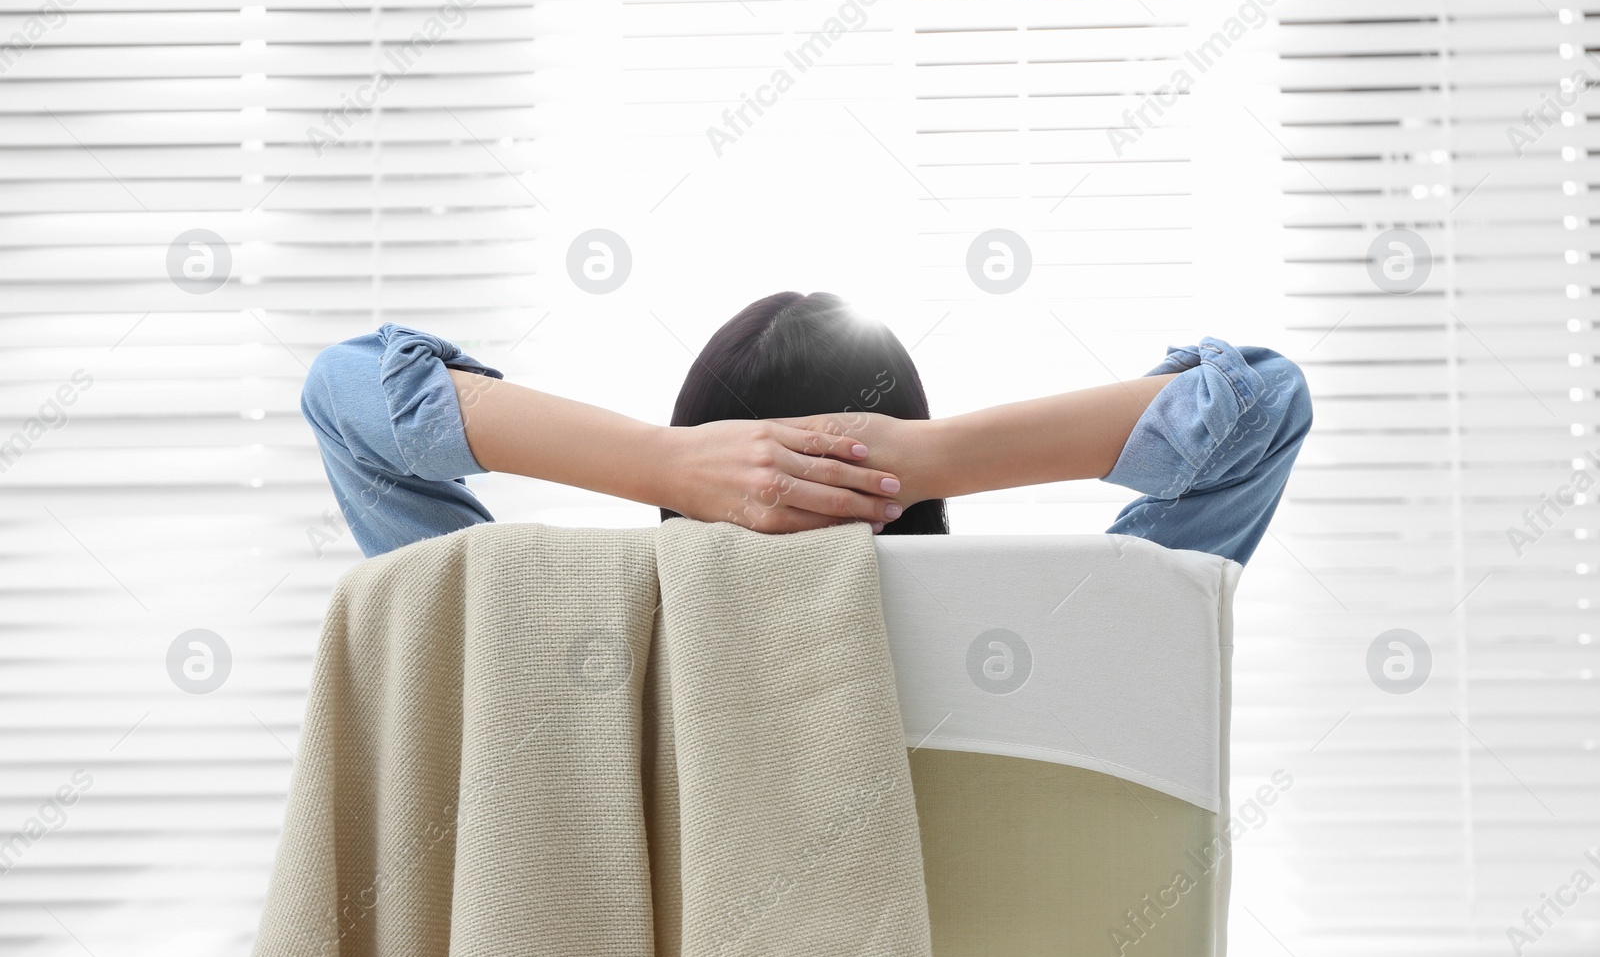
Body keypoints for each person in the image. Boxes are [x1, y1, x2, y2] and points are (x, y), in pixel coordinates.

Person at [299, 292, 1311, 564]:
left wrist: (664, 463)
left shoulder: (553, 633)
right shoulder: (1065, 632)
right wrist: (925, 460)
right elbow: (1257, 404)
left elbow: (348, 394)